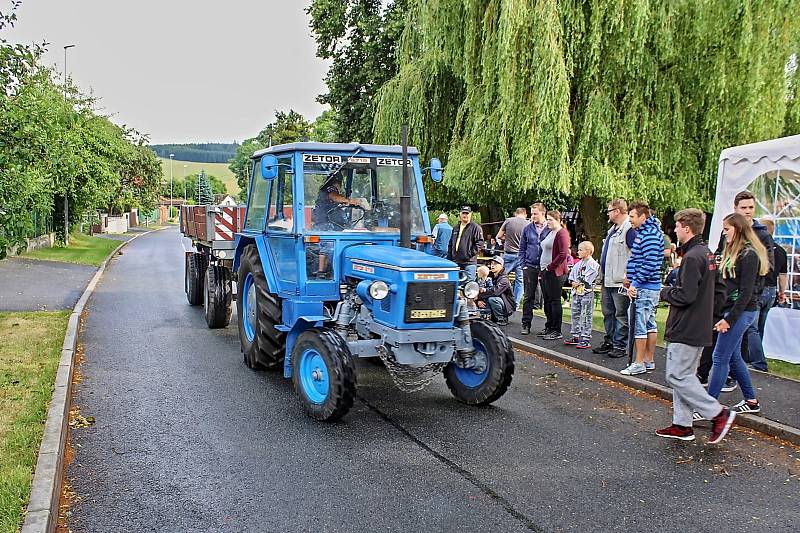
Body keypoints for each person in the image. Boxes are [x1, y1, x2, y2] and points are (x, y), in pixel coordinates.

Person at [656, 208, 736, 444]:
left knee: (677, 375)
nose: (675, 230)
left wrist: (664, 292)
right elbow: (720, 290)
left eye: (677, 226)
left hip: (687, 326)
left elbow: (685, 295)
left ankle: (717, 413)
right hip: (697, 324)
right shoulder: (707, 253)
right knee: (685, 374)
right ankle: (682, 425)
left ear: (686, 228)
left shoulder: (692, 257)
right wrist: (710, 317)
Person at [703, 213, 766, 416]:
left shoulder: (749, 255)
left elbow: (746, 293)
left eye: (727, 229)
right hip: (732, 310)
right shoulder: (734, 251)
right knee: (733, 357)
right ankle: (751, 400)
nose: (724, 233)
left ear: (737, 229)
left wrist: (729, 319)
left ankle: (709, 407)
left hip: (741, 312)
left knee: (720, 356)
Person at [716, 191, 775, 373]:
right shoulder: (728, 231)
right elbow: (720, 253)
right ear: (736, 209)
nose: (748, 211)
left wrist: (747, 271)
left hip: (751, 292)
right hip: (730, 293)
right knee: (730, 345)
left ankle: (754, 367)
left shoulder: (762, 235)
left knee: (750, 330)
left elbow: (769, 266)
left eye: (750, 207)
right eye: (744, 208)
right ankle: (747, 393)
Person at [620, 202, 664, 376]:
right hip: (645, 285)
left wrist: (635, 283)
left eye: (632, 216)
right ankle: (648, 359)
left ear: (642, 217)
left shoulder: (650, 235)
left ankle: (639, 362)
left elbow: (650, 264)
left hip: (645, 287)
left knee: (640, 324)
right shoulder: (645, 233)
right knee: (649, 323)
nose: (629, 220)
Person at [593, 199, 637, 358]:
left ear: (617, 211)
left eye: (610, 210)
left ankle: (620, 344)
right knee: (608, 313)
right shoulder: (613, 229)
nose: (608, 214)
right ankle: (610, 341)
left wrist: (629, 276)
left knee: (621, 314)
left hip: (620, 280)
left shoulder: (628, 230)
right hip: (608, 279)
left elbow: (635, 254)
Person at [313, 174, 364, 277]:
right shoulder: (330, 188)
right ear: (337, 182)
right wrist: (349, 201)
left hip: (329, 223)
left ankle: (327, 270)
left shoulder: (324, 192)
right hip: (326, 224)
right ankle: (322, 271)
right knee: (330, 245)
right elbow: (334, 197)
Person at [538, 210, 571, 340]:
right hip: (545, 271)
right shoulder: (550, 232)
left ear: (558, 220)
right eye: (547, 219)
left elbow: (563, 254)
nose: (548, 222)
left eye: (551, 220)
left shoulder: (561, 233)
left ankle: (556, 329)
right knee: (547, 300)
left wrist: (550, 267)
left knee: (554, 300)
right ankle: (549, 326)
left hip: (555, 272)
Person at [519, 203, 550, 335]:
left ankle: (550, 326)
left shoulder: (550, 228)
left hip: (545, 266)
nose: (532, 216)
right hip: (530, 265)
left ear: (543, 213)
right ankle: (526, 324)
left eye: (535, 213)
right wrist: (523, 264)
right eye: (531, 213)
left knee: (547, 296)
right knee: (528, 296)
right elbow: (522, 248)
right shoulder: (527, 229)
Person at [565, 241, 600, 349]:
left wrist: (579, 282)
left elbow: (589, 280)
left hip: (586, 294)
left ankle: (585, 338)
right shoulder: (578, 264)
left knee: (586, 315)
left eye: (581, 250)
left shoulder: (593, 265)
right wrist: (573, 282)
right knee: (575, 313)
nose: (578, 252)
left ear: (588, 251)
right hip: (577, 293)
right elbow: (571, 277)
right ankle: (575, 335)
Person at [496, 207, 528, 305]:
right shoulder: (528, 224)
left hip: (509, 254)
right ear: (525, 214)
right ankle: (516, 303)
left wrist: (506, 237)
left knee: (501, 276)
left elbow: (498, 236)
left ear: (515, 213)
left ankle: (500, 299)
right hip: (521, 256)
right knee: (520, 280)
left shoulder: (508, 221)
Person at [476, 256, 516, 325]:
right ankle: (488, 317)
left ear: (501, 266)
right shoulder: (489, 275)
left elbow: (495, 292)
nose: (492, 266)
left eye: (495, 264)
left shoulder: (504, 279)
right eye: (491, 263)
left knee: (493, 299)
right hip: (494, 300)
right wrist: (478, 300)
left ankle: (502, 319)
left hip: (506, 306)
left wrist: (479, 297)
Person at [448, 206, 484, 281]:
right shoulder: (456, 228)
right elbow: (451, 244)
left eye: (467, 213)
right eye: (463, 213)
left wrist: (468, 254)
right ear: (460, 214)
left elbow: (480, 243)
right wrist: (449, 258)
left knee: (469, 285)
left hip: (469, 263)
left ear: (470, 214)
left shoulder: (475, 228)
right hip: (455, 262)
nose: (465, 215)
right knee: (454, 284)